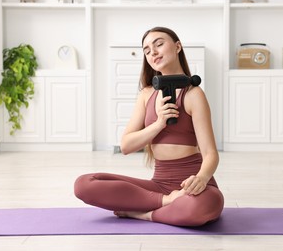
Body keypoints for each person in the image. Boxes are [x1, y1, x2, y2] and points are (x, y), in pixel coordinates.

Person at [74, 26, 224, 227]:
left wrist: (202, 178)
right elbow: (126, 146)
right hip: (159, 185)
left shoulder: (193, 94)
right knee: (84, 184)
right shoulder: (146, 94)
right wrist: (159, 124)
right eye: (146, 50)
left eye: (159, 44)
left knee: (208, 204)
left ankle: (143, 214)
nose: (152, 52)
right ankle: (165, 204)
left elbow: (210, 153)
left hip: (190, 185)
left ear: (177, 46)